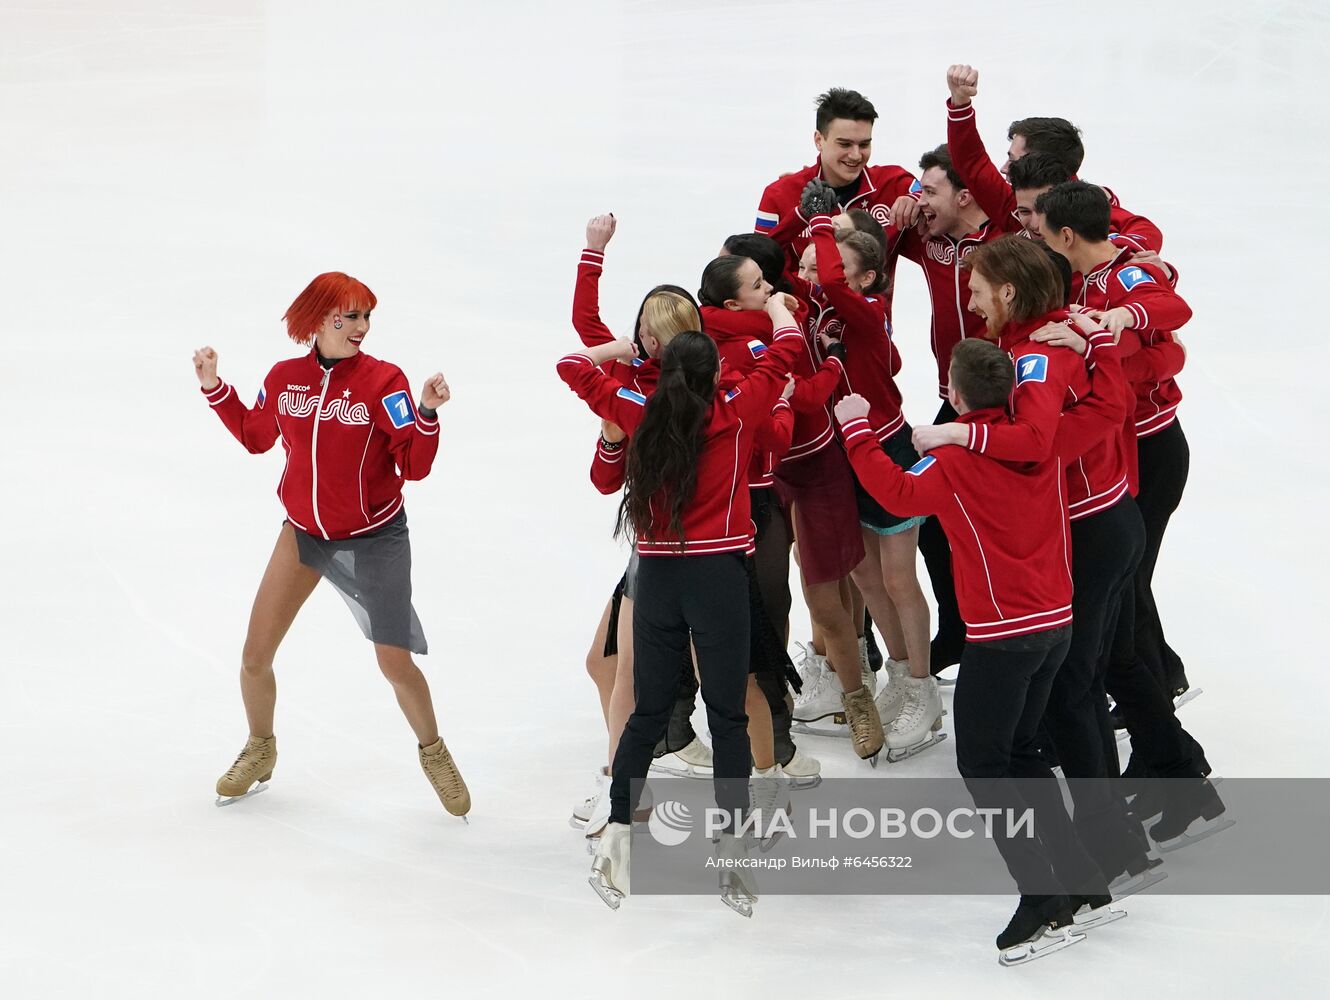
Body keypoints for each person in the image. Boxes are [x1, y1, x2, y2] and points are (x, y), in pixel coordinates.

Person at [835, 339, 1120, 964]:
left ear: (956, 398)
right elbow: (1100, 413)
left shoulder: (954, 466)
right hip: (1056, 624)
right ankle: (1081, 879)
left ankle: (1041, 894)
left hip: (1003, 636)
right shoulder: (1037, 442)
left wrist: (855, 428)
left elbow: (893, 495)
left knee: (985, 766)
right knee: (1021, 753)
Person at [914, 236, 1162, 887]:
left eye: (977, 288)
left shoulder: (1035, 359)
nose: (968, 298)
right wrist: (1102, 345)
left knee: (1072, 694)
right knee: (1077, 687)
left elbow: (1033, 443)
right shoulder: (1046, 345)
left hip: (1089, 532)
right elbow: (1107, 409)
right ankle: (1105, 843)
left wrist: (955, 433)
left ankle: (1106, 849)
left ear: (1008, 293)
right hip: (1106, 523)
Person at [557, 295, 806, 915]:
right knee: (726, 716)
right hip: (717, 578)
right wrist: (776, 311)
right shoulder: (736, 407)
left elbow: (570, 364)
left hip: (659, 579)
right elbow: (789, 351)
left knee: (644, 714)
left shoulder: (637, 408)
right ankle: (735, 852)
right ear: (715, 374)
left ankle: (617, 836)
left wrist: (627, 350)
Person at [193, 271, 469, 816]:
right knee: (254, 657)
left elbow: (413, 465)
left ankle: (433, 752)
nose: (362, 327)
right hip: (304, 533)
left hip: (375, 537)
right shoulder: (286, 378)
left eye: (366, 316)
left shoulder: (385, 382)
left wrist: (428, 413)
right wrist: (213, 387)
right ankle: (260, 748)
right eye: (350, 316)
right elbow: (255, 436)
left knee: (395, 664)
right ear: (319, 319)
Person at [1034, 184, 1226, 846]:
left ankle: (1174, 765)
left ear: (1065, 233)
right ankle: (1171, 764)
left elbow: (1172, 313)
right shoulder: (1083, 281)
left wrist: (1119, 330)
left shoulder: (1125, 275)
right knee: (1124, 627)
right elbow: (1163, 355)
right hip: (1126, 456)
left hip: (1147, 455)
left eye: (1038, 219)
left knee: (1124, 625)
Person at [571, 214, 715, 835]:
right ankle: (660, 752)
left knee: (625, 672)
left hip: (668, 555)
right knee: (606, 666)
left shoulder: (637, 393)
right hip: (665, 548)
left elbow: (580, 348)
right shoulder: (705, 384)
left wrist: (592, 253)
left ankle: (620, 787)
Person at [799, 179, 944, 762]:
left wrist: (821, 223)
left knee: (898, 578)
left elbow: (831, 277)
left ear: (866, 279)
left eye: (829, 262)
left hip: (885, 449)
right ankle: (901, 672)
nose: (815, 272)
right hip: (844, 457)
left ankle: (924, 690)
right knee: (862, 577)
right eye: (811, 265)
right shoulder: (823, 307)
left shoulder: (862, 308)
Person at [755, 87, 918, 314]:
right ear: (819, 140)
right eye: (844, 144)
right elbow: (758, 269)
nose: (855, 155)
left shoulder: (895, 186)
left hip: (868, 332)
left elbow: (936, 190)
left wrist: (917, 198)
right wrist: (800, 215)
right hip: (804, 334)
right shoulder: (779, 195)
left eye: (864, 144)